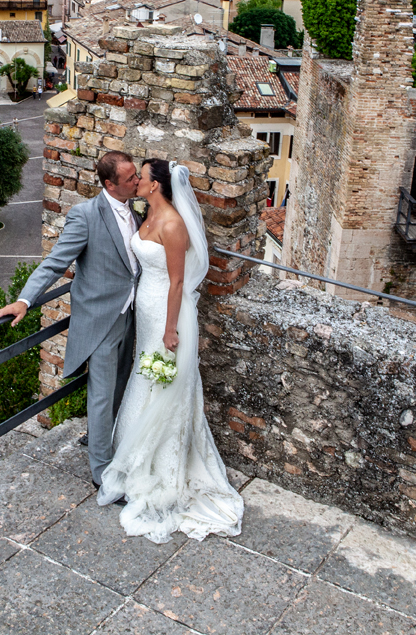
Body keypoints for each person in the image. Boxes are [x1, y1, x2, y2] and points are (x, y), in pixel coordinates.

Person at [97, 159, 243, 544]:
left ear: (156, 185)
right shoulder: (144, 215)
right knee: (144, 377)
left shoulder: (173, 225)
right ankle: (134, 454)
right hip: (144, 309)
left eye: (141, 178)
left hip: (165, 313)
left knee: (163, 383)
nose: (136, 182)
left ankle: (162, 464)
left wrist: (169, 329)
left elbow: (178, 282)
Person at [0, 150, 142, 490]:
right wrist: (24, 300)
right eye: (131, 178)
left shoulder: (134, 209)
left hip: (130, 315)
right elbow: (55, 263)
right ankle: (102, 474)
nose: (137, 181)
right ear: (109, 183)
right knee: (102, 396)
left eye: (135, 175)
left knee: (121, 385)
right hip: (100, 321)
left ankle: (107, 441)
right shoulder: (85, 215)